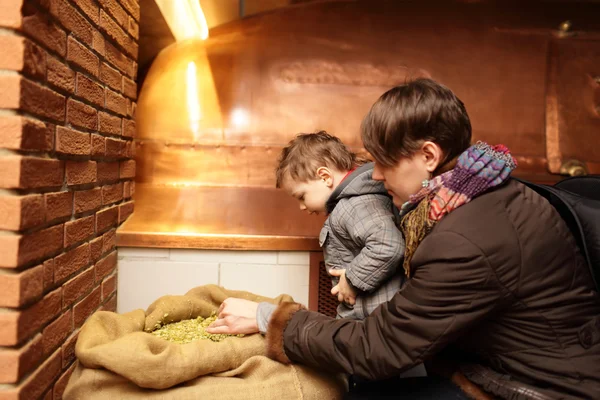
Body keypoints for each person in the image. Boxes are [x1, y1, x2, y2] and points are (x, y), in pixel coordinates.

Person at [208, 79, 600, 399]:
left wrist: (269, 319)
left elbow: (376, 349)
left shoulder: (468, 238)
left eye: (383, 162)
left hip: (541, 390)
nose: (375, 176)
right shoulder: (480, 196)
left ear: (428, 156)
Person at [274, 131, 405, 320]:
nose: (302, 207)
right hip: (371, 315)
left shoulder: (355, 205)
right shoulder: (355, 201)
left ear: (325, 177)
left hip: (374, 319)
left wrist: (352, 280)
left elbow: (388, 245)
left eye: (302, 196)